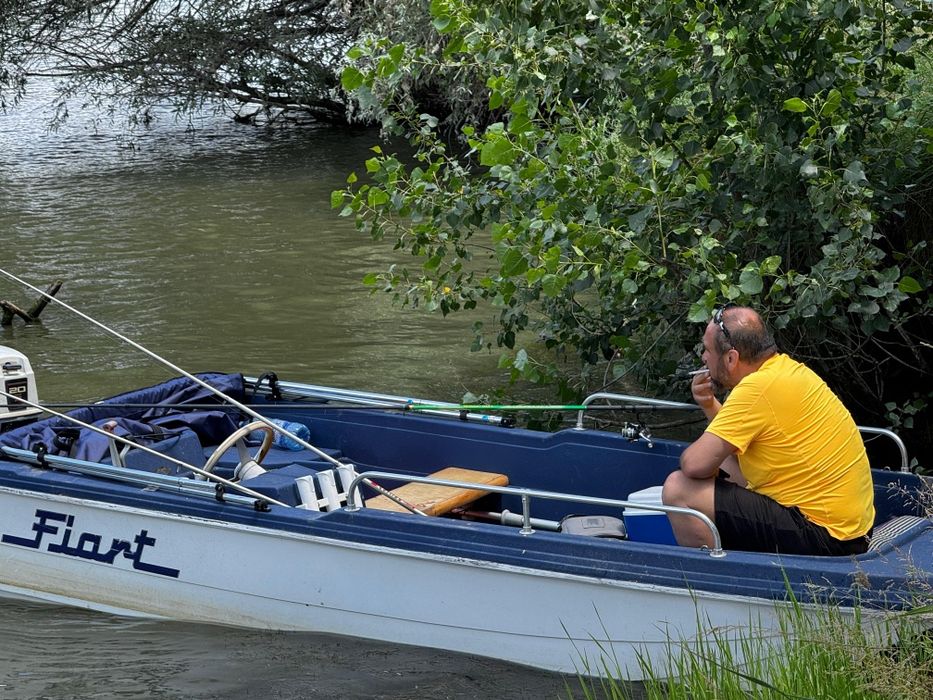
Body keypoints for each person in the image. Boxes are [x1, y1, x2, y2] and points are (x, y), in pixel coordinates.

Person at [661, 304, 875, 555]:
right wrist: (709, 405)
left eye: (707, 350)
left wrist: (699, 466)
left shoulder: (756, 389)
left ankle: (716, 580)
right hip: (853, 530)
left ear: (731, 358)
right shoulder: (785, 370)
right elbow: (730, 446)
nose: (703, 358)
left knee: (679, 489)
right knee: (729, 464)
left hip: (826, 537)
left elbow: (694, 465)